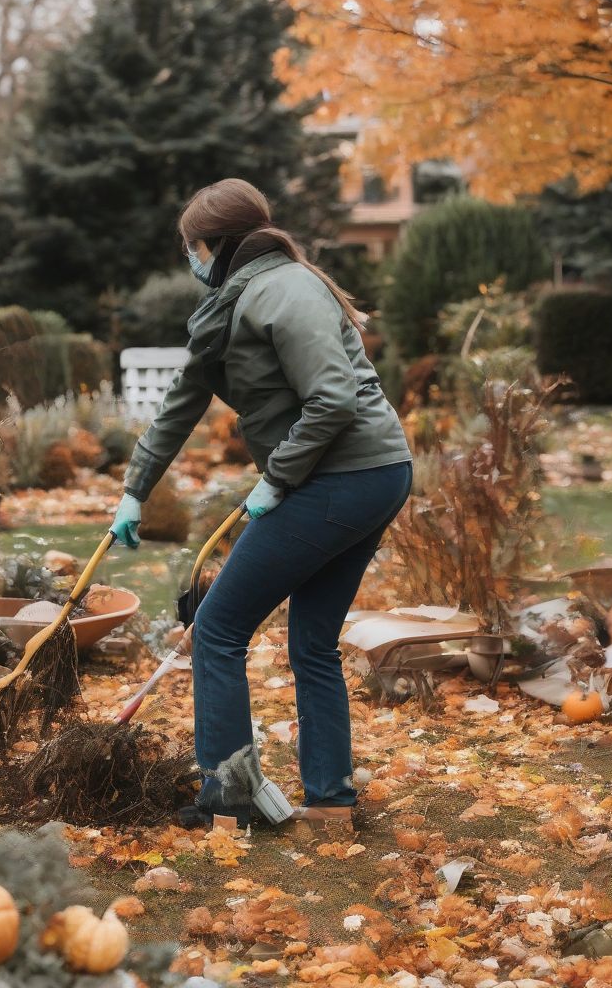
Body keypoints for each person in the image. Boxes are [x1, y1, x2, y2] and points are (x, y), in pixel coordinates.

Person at [109, 178, 412, 828]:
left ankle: (228, 801)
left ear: (213, 245)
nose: (189, 260)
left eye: (192, 247)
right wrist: (134, 492)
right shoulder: (235, 301)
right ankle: (330, 805)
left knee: (217, 628)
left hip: (348, 475)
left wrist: (275, 479)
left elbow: (333, 398)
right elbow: (178, 406)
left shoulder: (284, 290)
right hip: (360, 475)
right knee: (311, 641)